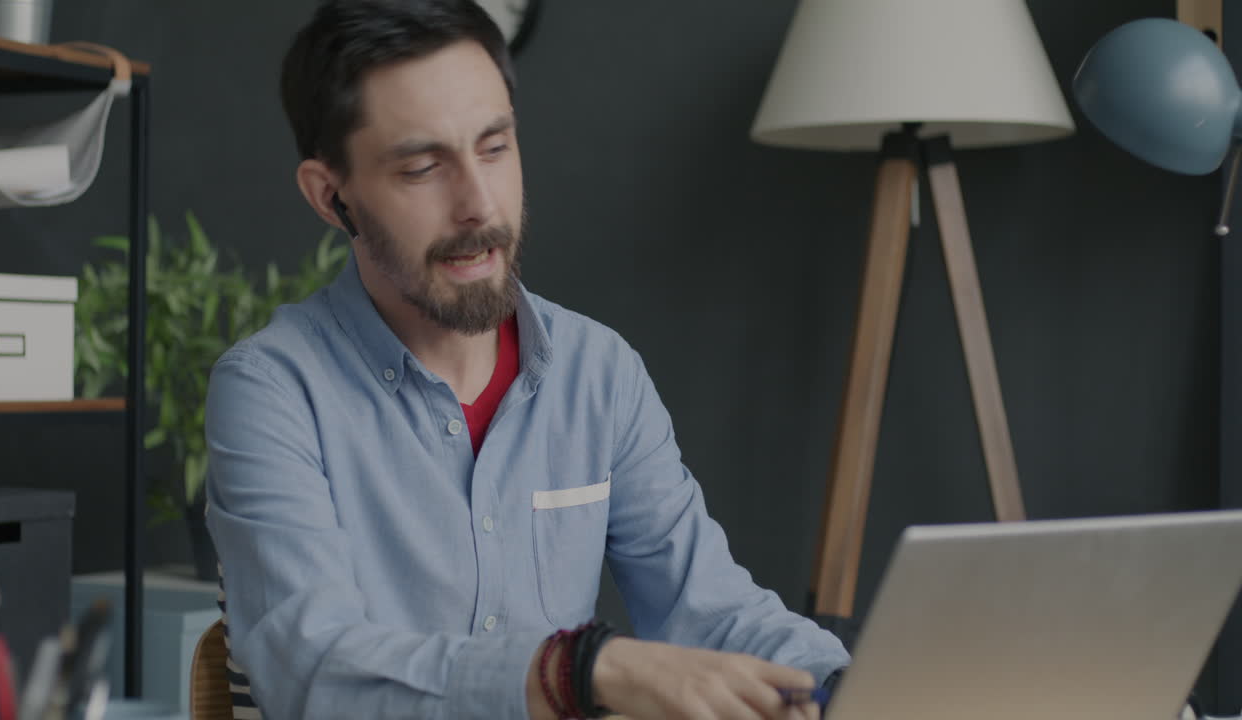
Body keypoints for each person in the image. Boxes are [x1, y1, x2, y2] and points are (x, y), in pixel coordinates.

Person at [204, 0, 850, 717]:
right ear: (332, 197)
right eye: (423, 167)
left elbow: (715, 612)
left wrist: (855, 689)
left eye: (495, 148)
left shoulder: (599, 373)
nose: (479, 204)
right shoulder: (272, 391)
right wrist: (577, 671)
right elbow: (313, 671)